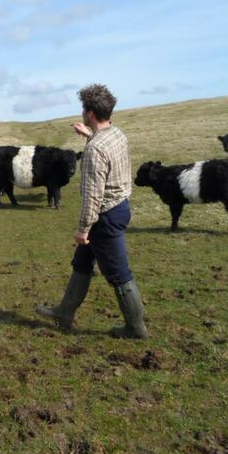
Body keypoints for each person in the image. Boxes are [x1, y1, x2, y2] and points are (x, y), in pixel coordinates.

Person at [36, 84, 149, 338]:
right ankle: (65, 312)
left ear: (89, 113)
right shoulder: (117, 134)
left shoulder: (93, 150)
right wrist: (89, 135)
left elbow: (92, 196)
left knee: (119, 273)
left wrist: (83, 229)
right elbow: (104, 149)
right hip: (120, 208)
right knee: (83, 261)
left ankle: (136, 328)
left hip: (104, 218)